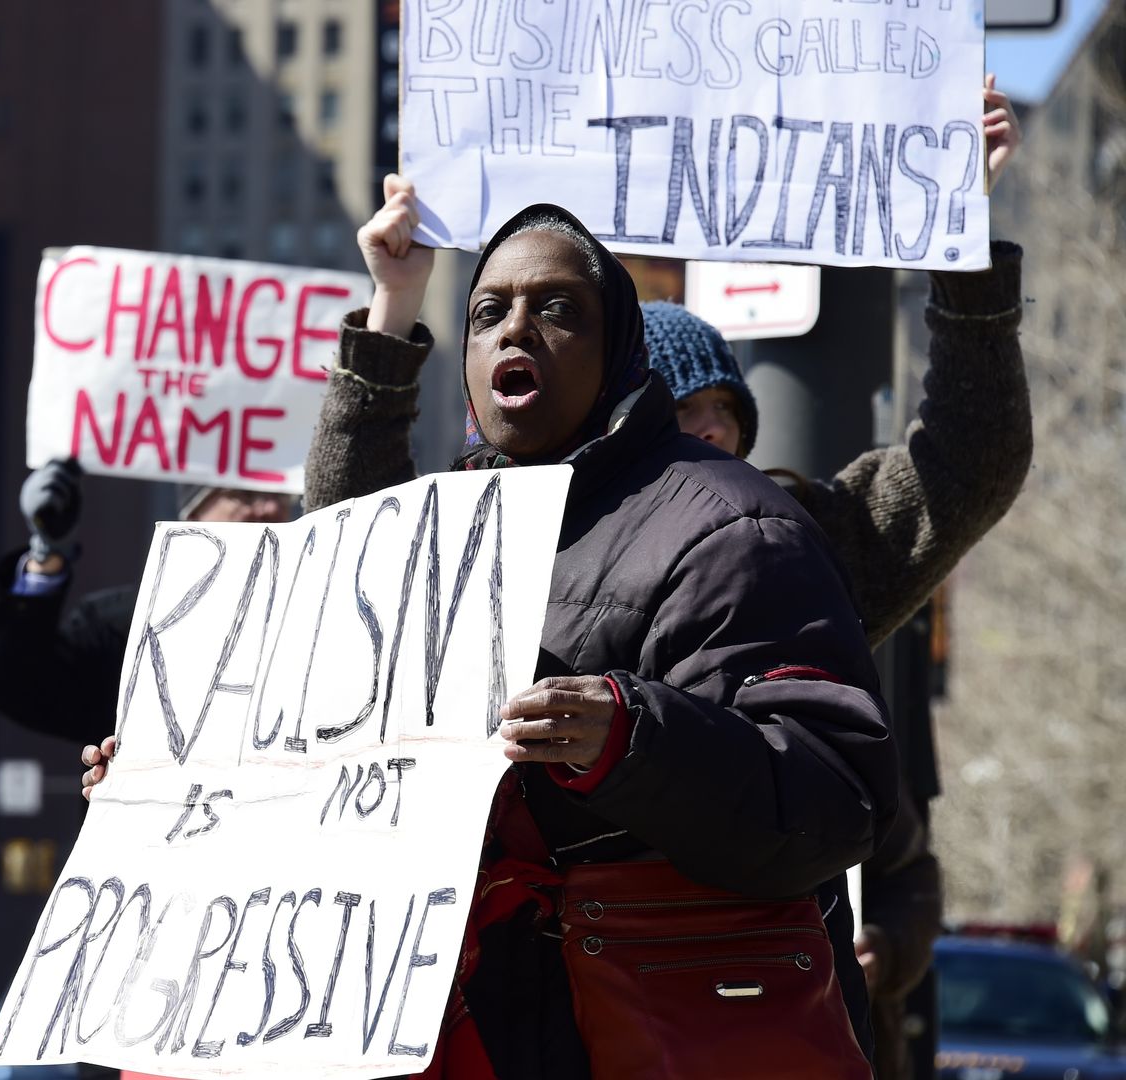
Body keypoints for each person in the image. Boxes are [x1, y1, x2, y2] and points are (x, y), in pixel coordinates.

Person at [88, 195, 898, 1077]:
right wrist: (177, 787)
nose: (516, 328)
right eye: (488, 312)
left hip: (644, 1034)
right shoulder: (452, 526)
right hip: (462, 1032)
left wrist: (632, 738)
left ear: (617, 348)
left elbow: (836, 796)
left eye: (556, 309)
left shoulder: (732, 528)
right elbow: (333, 692)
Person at [639, 77, 1028, 1080]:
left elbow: (969, 462)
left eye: (726, 410)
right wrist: (394, 319)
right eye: (682, 414)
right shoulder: (539, 554)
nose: (714, 428)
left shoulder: (803, 546)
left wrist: (964, 237)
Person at [0, 458, 295, 749]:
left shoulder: (312, 620)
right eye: (244, 496)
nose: (267, 509)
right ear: (193, 513)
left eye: (279, 496)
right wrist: (47, 553)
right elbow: (9, 686)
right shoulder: (121, 625)